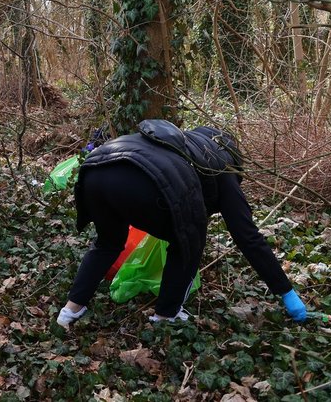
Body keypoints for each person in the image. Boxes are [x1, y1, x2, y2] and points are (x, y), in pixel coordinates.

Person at [56, 120, 308, 327]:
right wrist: (285, 291)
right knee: (187, 241)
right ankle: (166, 314)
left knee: (108, 243)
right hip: (142, 178)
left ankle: (70, 310)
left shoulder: (179, 144)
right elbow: (247, 236)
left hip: (94, 170)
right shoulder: (223, 168)